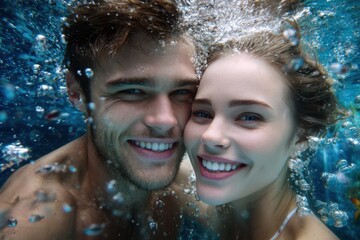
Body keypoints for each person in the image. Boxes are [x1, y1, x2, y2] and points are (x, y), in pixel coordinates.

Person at [0, 0, 204, 239]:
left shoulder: (187, 179)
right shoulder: (36, 216)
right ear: (76, 93)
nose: (166, 121)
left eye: (182, 92)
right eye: (133, 91)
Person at [184, 20, 343, 240]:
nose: (210, 135)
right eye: (202, 113)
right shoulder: (203, 199)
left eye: (249, 117)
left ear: (302, 136)